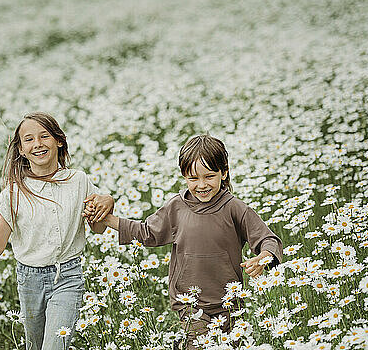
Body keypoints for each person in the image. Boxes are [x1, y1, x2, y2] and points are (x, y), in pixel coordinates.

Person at [0, 112, 113, 350]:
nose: (37, 144)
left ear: (58, 140)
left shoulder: (78, 180)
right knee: (34, 346)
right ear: (21, 150)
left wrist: (108, 201)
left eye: (44, 136)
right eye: (28, 139)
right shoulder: (14, 192)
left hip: (68, 276)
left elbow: (97, 229)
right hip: (30, 280)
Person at [85, 134, 283, 349]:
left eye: (209, 176)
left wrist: (265, 256)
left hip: (229, 302)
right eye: (193, 178)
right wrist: (109, 219)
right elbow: (146, 232)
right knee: (199, 344)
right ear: (184, 176)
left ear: (223, 173)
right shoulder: (177, 207)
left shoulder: (234, 208)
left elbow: (267, 238)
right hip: (188, 301)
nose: (201, 185)